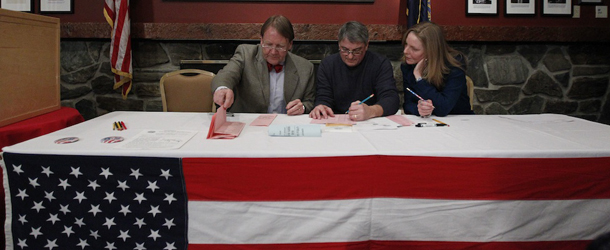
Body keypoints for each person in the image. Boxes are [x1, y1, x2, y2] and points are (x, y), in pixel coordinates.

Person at [211, 15, 315, 115]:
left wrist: (303, 107)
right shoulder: (245, 54)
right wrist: (222, 88)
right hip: (249, 125)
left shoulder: (305, 68)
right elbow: (227, 74)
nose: (273, 52)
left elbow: (310, 102)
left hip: (285, 125)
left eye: (280, 46)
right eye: (268, 45)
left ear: (290, 45)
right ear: (261, 40)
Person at [310, 21, 399, 121]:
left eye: (357, 51)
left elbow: (391, 100)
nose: (350, 56)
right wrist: (322, 107)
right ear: (339, 44)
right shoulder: (327, 65)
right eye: (344, 49)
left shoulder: (380, 64)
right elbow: (323, 97)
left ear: (366, 46)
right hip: (336, 122)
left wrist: (371, 111)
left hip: (370, 122)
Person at [402, 21, 474, 117]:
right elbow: (408, 104)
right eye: (406, 44)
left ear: (431, 51)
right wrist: (419, 109)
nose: (405, 51)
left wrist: (419, 78)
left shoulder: (454, 65)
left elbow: (443, 108)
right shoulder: (408, 66)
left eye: (414, 49)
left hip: (458, 122)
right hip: (427, 123)